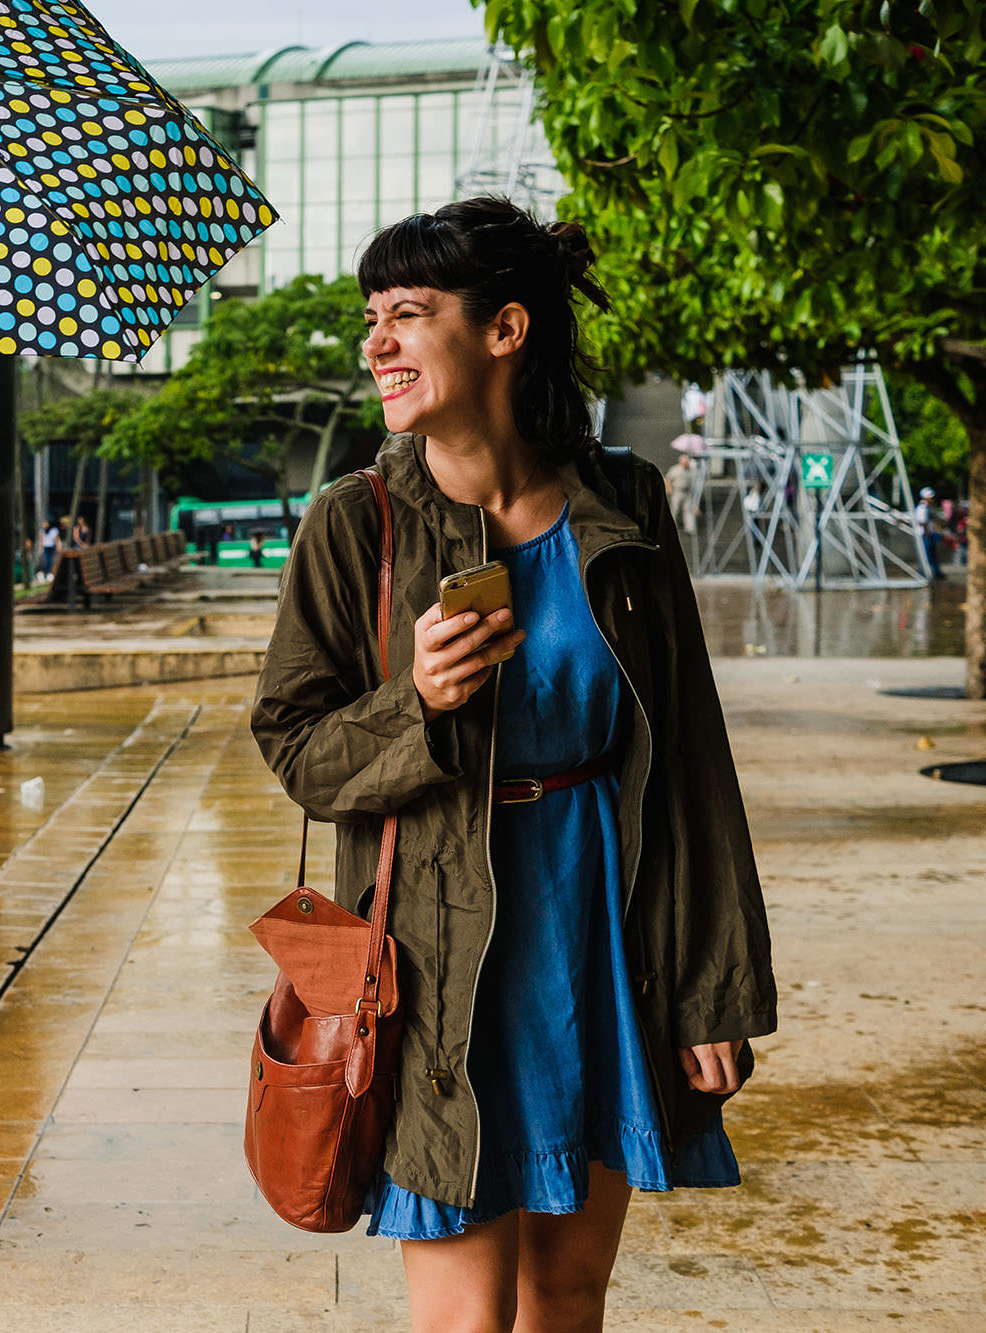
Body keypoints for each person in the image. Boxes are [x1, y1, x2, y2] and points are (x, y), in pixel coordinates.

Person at [252, 197, 775, 1333]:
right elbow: (293, 747)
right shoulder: (356, 523)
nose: (374, 342)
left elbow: (685, 761)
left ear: (504, 330)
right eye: (369, 318)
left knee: (568, 1295)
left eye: (405, 313)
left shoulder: (621, 505)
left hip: (597, 928)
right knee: (461, 1319)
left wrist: (710, 990)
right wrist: (419, 703)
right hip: (440, 955)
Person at [914, 487, 944, 580]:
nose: (932, 499)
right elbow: (922, 522)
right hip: (925, 534)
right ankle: (924, 573)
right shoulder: (922, 508)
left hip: (930, 533)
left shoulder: (929, 507)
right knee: (926, 555)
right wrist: (927, 533)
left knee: (933, 554)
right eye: (930, 497)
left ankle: (936, 572)